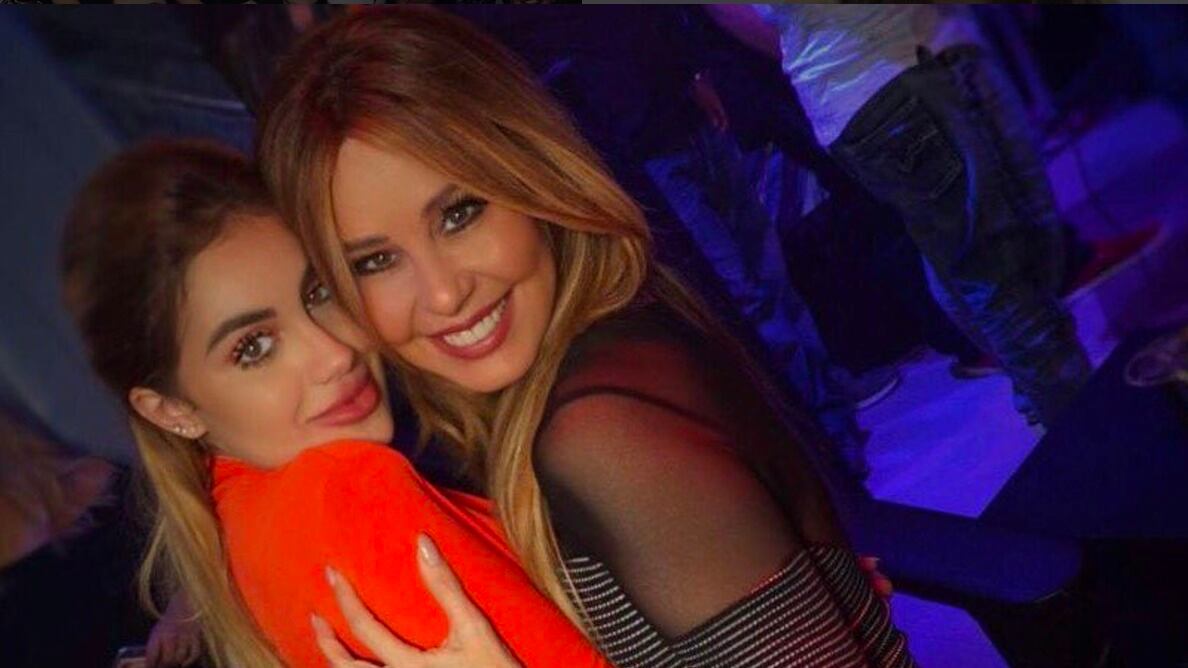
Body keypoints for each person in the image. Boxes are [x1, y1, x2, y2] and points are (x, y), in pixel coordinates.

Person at [258, 7, 912, 666]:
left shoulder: (603, 432)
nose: (443, 294)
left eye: (459, 214)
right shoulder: (605, 353)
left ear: (531, 173)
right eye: (375, 261)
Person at [59, 139, 611, 667]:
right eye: (254, 348)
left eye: (319, 292)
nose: (335, 355)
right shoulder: (348, 490)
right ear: (170, 410)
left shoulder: (241, 533)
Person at [706, 4, 1093, 427]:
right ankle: (1082, 424)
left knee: (1021, 243)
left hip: (933, 46)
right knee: (1001, 275)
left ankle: (1036, 387)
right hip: (879, 84)